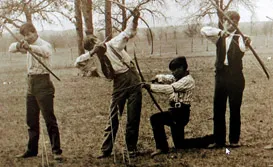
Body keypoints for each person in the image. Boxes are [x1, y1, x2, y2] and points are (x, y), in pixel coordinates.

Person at [75, 9, 142, 158]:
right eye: (92, 44)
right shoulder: (92, 56)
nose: (96, 43)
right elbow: (78, 63)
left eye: (95, 40)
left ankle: (131, 148)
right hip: (118, 83)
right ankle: (106, 149)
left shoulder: (112, 44)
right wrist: (92, 52)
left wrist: (135, 19)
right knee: (113, 115)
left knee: (133, 115)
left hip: (131, 78)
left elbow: (128, 32)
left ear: (98, 39)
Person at [8, 22, 62, 160]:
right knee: (31, 120)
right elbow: (11, 48)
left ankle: (56, 151)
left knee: (49, 119)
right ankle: (32, 150)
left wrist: (29, 47)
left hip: (43, 83)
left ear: (34, 32)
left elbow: (46, 52)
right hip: (30, 84)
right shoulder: (26, 44)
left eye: (28, 34)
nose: (27, 37)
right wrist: (21, 45)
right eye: (24, 36)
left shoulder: (44, 44)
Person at [200, 11, 251, 148]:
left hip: (236, 77)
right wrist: (220, 32)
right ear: (224, 22)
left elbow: (242, 48)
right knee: (218, 108)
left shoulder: (241, 37)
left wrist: (245, 41)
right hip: (221, 76)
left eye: (234, 21)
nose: (230, 23)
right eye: (227, 21)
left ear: (237, 23)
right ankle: (219, 140)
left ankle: (234, 140)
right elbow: (203, 30)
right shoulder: (218, 37)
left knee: (234, 108)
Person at [142, 56, 195, 157]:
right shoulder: (178, 77)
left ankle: (161, 147)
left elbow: (169, 89)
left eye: (174, 70)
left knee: (155, 119)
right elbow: (167, 78)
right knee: (180, 144)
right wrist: (157, 78)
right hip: (175, 112)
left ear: (181, 68)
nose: (173, 73)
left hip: (180, 114)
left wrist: (150, 87)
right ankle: (209, 139)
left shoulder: (188, 80)